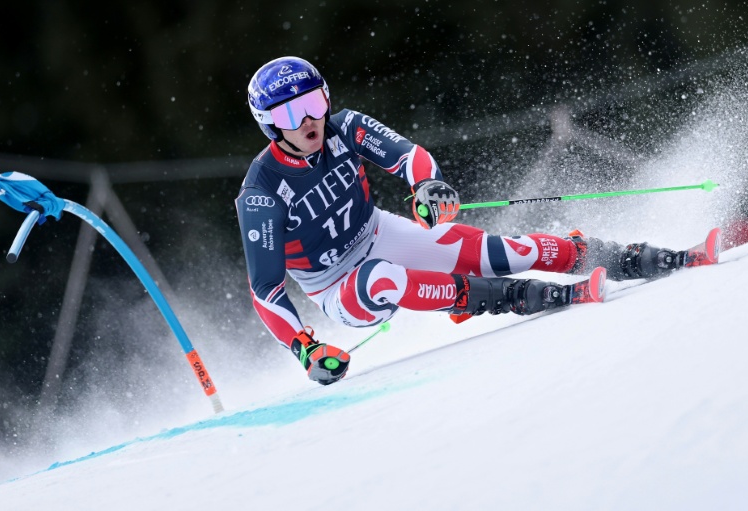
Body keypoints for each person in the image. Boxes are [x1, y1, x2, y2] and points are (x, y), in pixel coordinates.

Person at [236, 56, 692, 385]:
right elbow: (265, 291)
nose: (310, 119)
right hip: (336, 286)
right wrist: (304, 347)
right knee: (380, 279)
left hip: (377, 233)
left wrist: (426, 187)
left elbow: (408, 156)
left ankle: (606, 254)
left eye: (315, 102)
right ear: (269, 124)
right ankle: (504, 298)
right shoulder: (261, 193)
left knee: (499, 252)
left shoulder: (344, 126)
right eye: (290, 114)